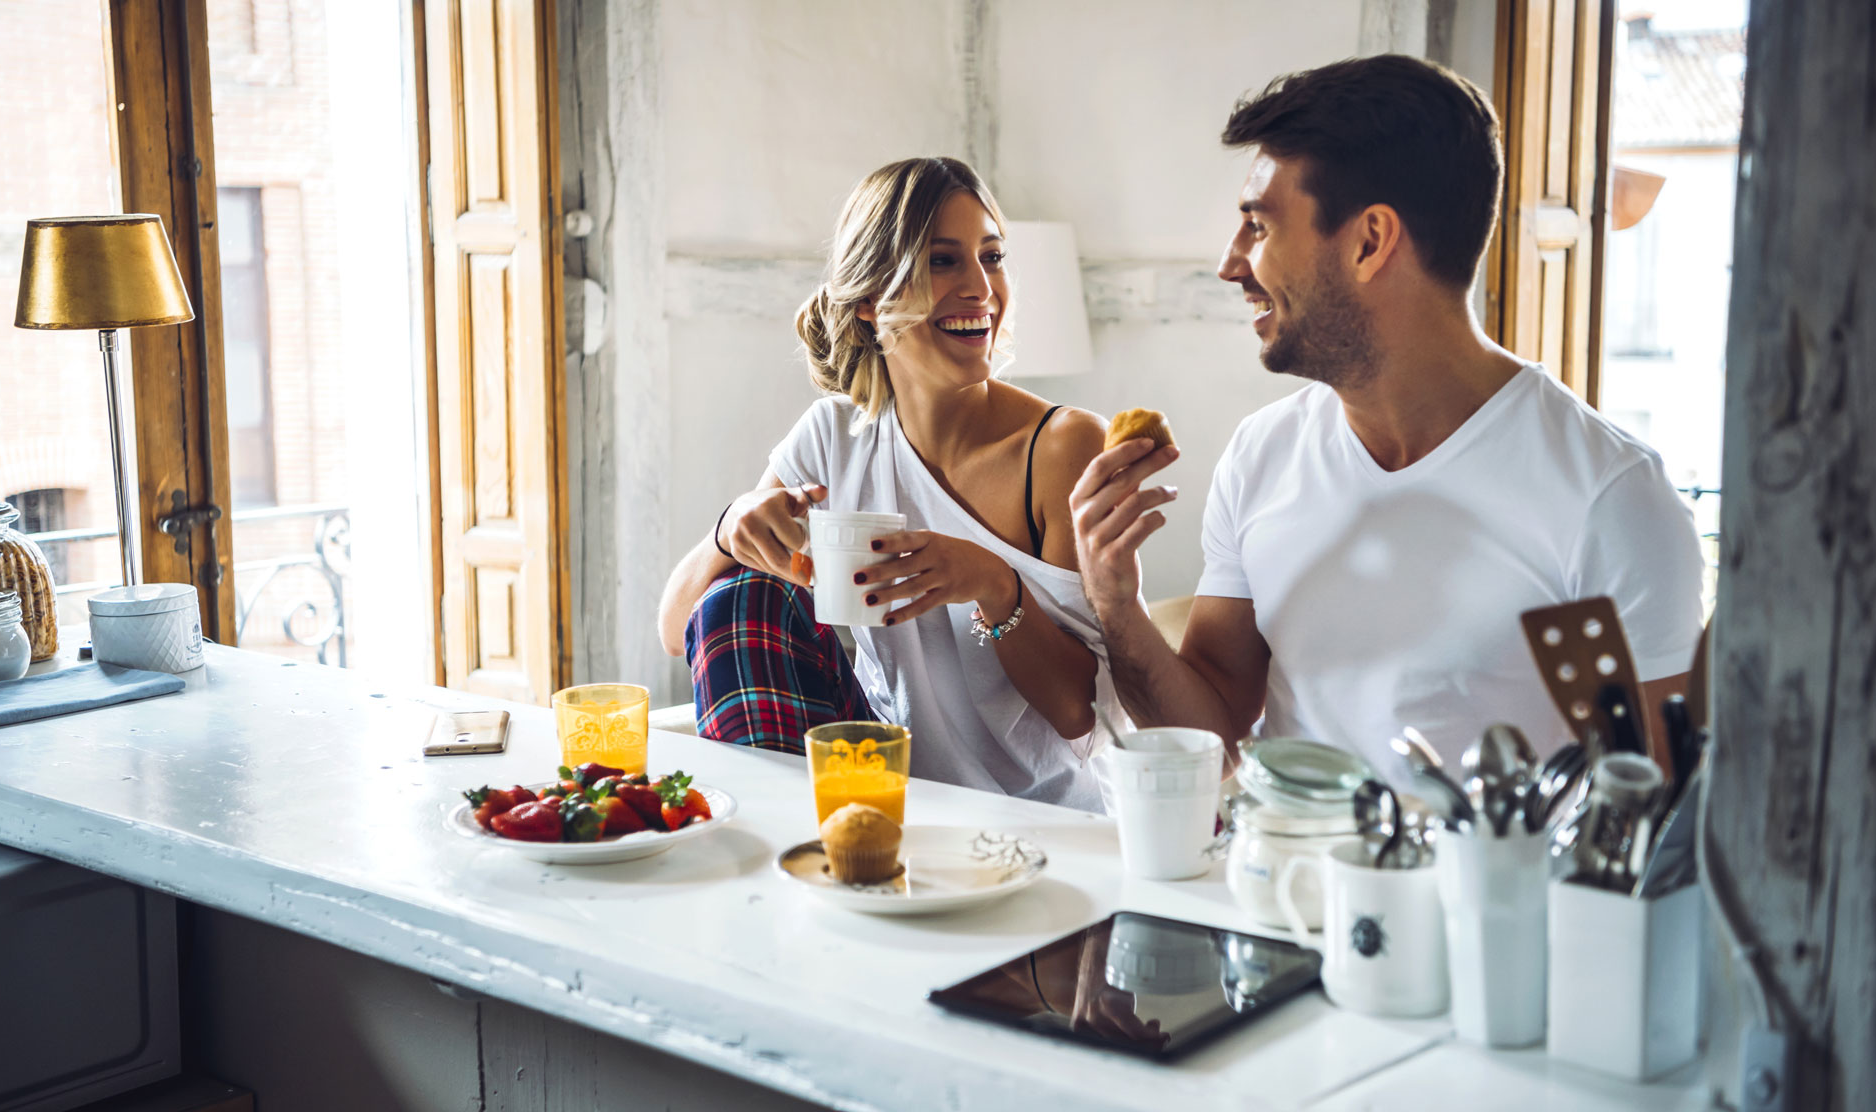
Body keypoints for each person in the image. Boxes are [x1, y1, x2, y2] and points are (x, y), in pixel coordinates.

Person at [1070, 56, 1704, 775]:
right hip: (1268, 882)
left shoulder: (1609, 498)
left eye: (1258, 226)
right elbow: (1210, 735)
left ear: (1371, 240)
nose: (1230, 263)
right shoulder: (1263, 454)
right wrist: (1117, 608)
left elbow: (1653, 804)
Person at [657, 157, 1116, 810]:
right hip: (885, 802)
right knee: (739, 596)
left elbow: (1080, 715)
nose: (981, 287)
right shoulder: (834, 437)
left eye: (992, 256)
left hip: (1042, 820)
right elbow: (679, 631)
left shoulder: (1064, 445)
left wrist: (993, 583)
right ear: (871, 301)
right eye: (943, 261)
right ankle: (782, 846)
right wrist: (729, 528)